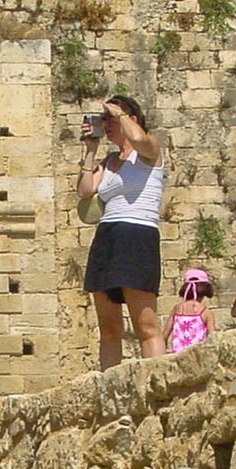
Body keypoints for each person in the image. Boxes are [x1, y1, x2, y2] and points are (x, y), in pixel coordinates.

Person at [77, 95, 165, 370]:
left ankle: (157, 382)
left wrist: (121, 115)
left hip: (137, 235)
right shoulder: (109, 161)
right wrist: (90, 150)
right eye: (104, 119)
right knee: (109, 328)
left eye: (111, 119)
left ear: (132, 119)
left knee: (145, 324)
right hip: (107, 236)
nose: (106, 124)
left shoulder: (150, 151)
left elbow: (138, 139)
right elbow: (85, 190)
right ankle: (108, 385)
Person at [167, 269, 215, 353]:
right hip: (197, 355)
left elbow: (165, 335)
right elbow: (213, 338)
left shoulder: (177, 309)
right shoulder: (206, 312)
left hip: (177, 355)